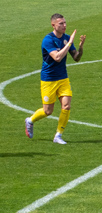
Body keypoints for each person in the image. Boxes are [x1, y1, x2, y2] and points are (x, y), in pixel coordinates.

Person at [26, 13, 85, 144]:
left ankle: (58, 135)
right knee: (48, 111)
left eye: (65, 23)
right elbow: (57, 57)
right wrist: (69, 44)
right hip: (48, 79)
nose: (64, 26)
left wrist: (80, 47)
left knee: (67, 106)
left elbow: (76, 58)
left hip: (63, 78)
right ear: (53, 25)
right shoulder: (48, 40)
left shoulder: (67, 38)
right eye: (61, 23)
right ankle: (30, 120)